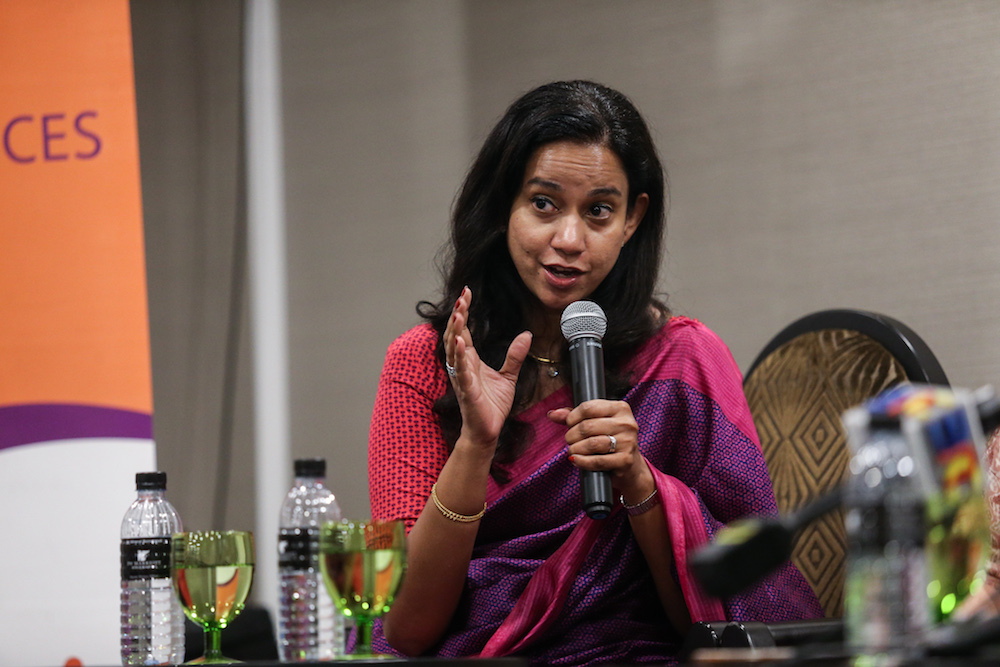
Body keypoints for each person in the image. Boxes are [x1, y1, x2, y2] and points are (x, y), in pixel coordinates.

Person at [367, 80, 822, 664]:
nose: (569, 240)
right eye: (544, 204)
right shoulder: (424, 364)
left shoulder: (681, 361)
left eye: (599, 211)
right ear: (503, 201)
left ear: (632, 219)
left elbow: (738, 610)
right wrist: (476, 445)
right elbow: (410, 630)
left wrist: (640, 482)